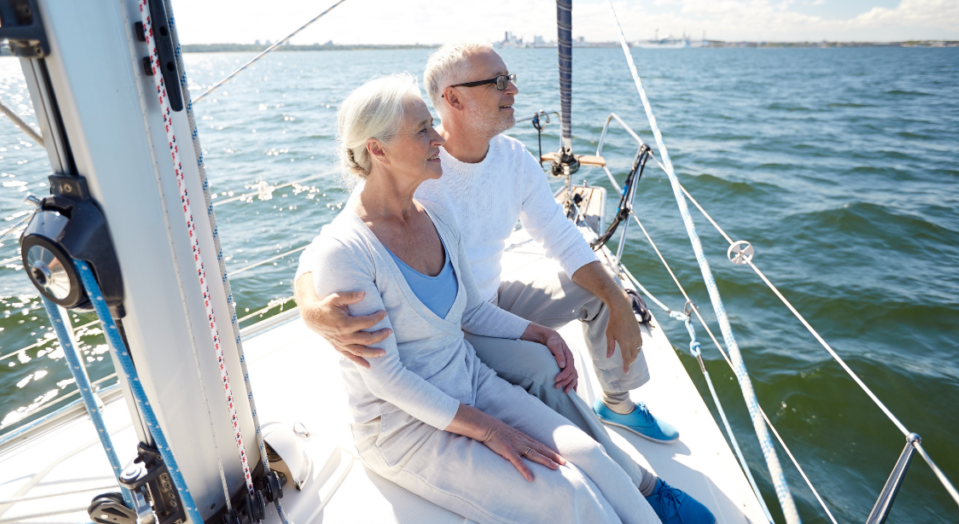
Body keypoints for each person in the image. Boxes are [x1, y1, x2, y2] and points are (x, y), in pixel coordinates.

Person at [296, 73, 706, 523]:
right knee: (569, 494)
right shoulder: (348, 249)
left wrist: (539, 332)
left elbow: (470, 308)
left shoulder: (433, 209)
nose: (436, 138)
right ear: (377, 149)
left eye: (432, 125)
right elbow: (386, 379)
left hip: (468, 381)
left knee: (589, 456)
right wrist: (491, 430)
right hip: (401, 427)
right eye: (422, 131)